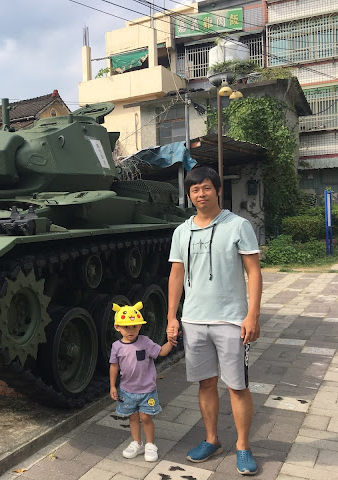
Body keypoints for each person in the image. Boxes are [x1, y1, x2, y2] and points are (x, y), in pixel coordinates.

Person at [166, 166, 262, 476]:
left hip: (231, 321)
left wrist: (253, 315)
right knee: (205, 383)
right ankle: (211, 440)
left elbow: (254, 272)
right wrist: (171, 316)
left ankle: (243, 446)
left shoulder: (238, 226)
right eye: (195, 190)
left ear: (217, 190)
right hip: (194, 320)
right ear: (189, 194)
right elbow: (176, 274)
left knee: (237, 386)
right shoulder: (182, 231)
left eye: (206, 188)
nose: (201, 194)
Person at [110, 301, 173, 462]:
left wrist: (170, 343)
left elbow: (160, 352)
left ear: (139, 326)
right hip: (127, 390)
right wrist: (112, 385)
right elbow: (114, 366)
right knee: (132, 417)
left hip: (147, 390)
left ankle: (150, 444)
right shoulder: (116, 346)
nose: (130, 331)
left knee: (146, 417)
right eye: (126, 327)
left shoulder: (145, 342)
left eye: (134, 327)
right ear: (117, 327)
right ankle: (137, 443)